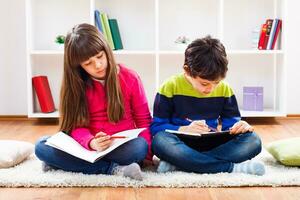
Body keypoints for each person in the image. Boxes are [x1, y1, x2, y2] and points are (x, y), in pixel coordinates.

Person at [35, 23, 152, 180]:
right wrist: (91, 143)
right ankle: (113, 169)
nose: (97, 65)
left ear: (106, 51)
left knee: (140, 147)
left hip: (121, 146)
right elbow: (75, 126)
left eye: (99, 56)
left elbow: (144, 120)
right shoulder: (76, 85)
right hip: (88, 147)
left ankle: (65, 163)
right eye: (88, 63)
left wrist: (147, 156)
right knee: (41, 146)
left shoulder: (130, 77)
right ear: (78, 66)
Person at [150, 36, 265, 176]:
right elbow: (157, 127)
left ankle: (181, 163)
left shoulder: (224, 89)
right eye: (204, 83)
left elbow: (231, 127)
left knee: (253, 140)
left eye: (216, 83)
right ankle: (231, 168)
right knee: (159, 141)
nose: (210, 89)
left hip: (212, 142)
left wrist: (241, 126)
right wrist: (184, 129)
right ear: (187, 70)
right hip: (180, 142)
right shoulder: (170, 87)